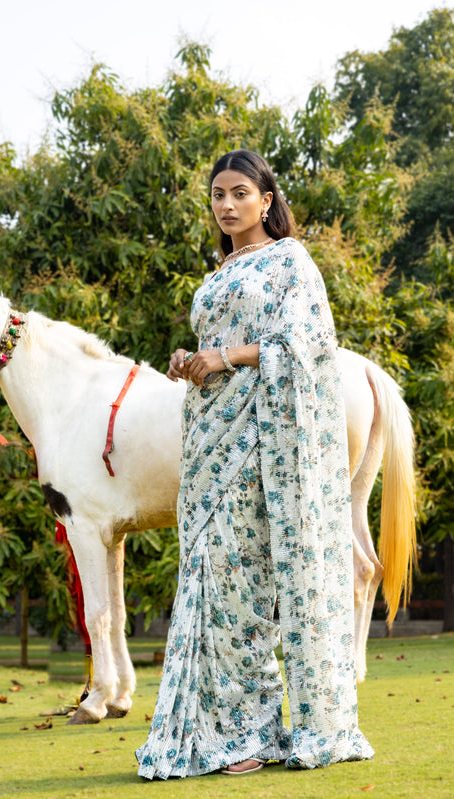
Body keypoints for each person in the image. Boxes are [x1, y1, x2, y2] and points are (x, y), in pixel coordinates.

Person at [135, 149, 373, 779]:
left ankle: (259, 730)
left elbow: (310, 345)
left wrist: (227, 356)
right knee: (215, 581)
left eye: (240, 192)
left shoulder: (290, 261)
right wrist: (195, 360)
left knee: (245, 583)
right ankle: (228, 728)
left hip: (264, 442)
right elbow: (226, 352)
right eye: (217, 195)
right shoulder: (221, 271)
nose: (227, 204)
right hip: (211, 439)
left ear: (266, 199)